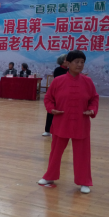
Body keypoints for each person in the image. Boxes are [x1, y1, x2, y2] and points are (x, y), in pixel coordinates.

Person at [38, 51, 99, 194]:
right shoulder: (58, 81)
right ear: (68, 63)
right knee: (55, 152)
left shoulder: (88, 81)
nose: (80, 65)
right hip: (61, 122)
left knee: (83, 154)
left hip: (81, 123)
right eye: (76, 62)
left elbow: (94, 99)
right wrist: (51, 109)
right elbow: (48, 98)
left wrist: (91, 109)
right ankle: (50, 176)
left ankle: (84, 181)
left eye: (82, 62)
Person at [43, 54, 69, 136]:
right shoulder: (58, 70)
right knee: (51, 111)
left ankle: (63, 130)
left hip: (67, 94)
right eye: (66, 59)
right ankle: (48, 130)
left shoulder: (70, 70)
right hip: (57, 92)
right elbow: (59, 80)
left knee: (65, 112)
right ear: (62, 61)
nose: (68, 60)